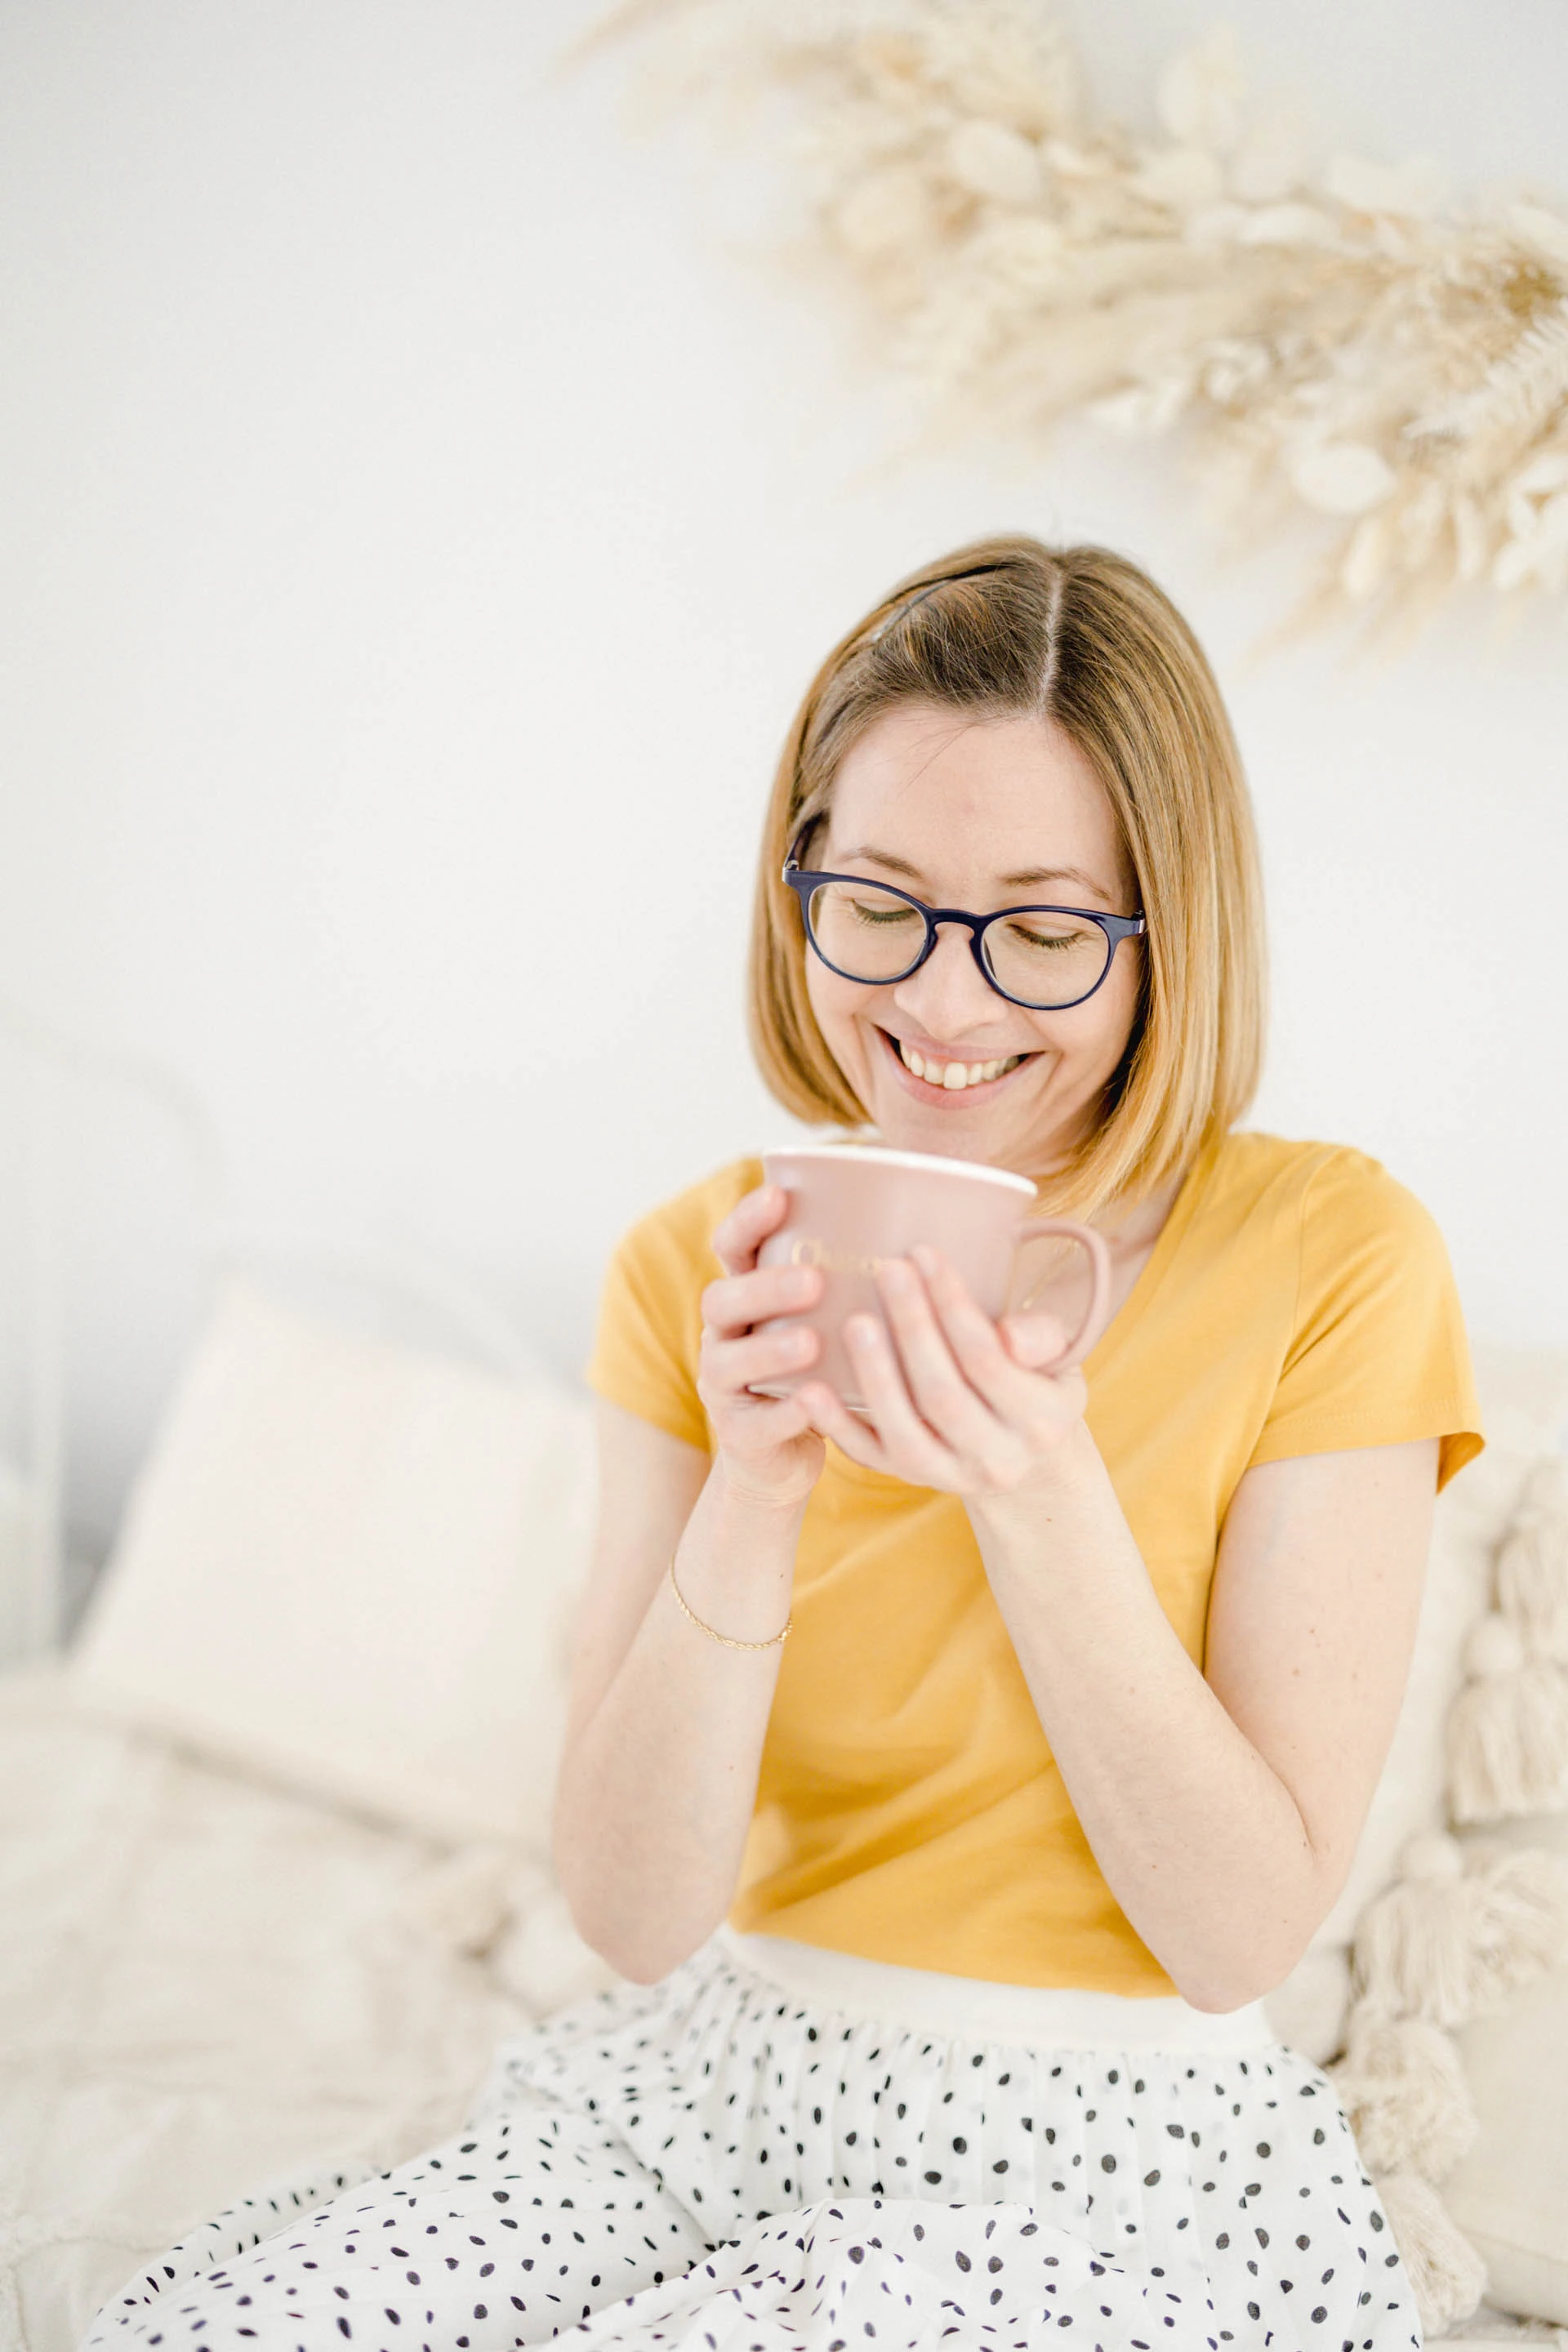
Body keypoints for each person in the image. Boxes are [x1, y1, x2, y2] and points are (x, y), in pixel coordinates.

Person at [82, 537, 1485, 2352]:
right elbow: (634, 1916)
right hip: (709, 2086)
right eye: (880, 902)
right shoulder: (695, 1263)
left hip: (1115, 2161)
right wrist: (752, 1494)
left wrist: (1037, 1494)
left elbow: (1236, 1938)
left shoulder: (1333, 1259)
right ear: (798, 879)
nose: (945, 1005)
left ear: (1167, 936)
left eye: (1047, 930)